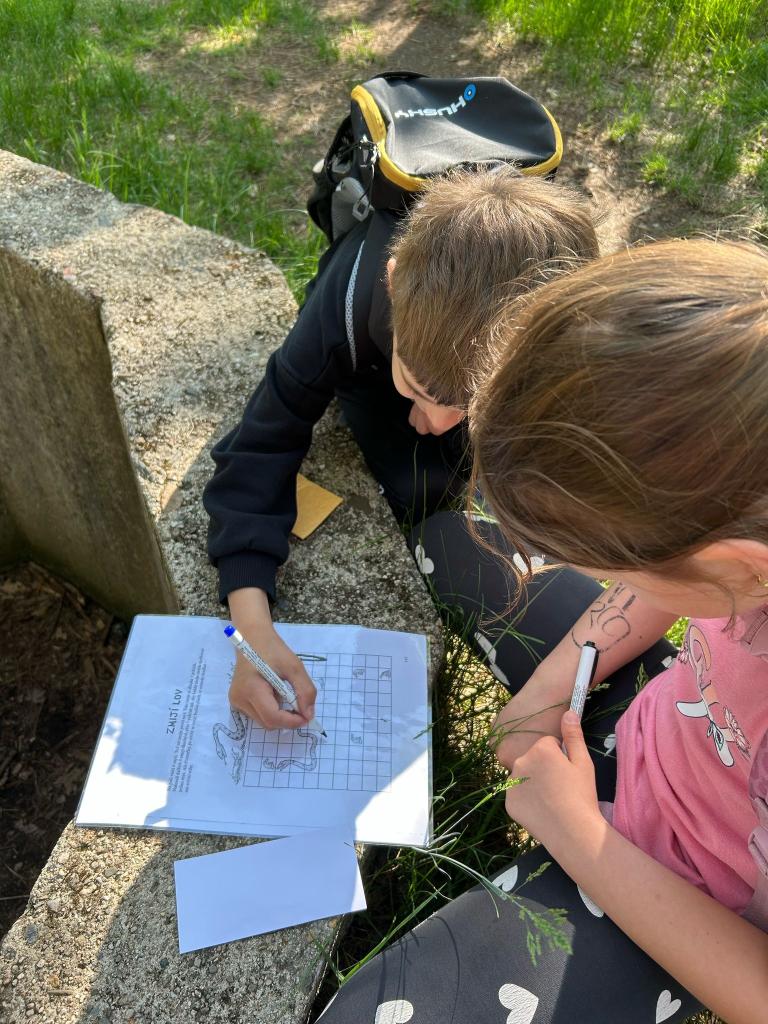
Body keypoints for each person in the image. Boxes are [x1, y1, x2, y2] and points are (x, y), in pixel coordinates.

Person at [314, 238, 768, 1024]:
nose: (605, 576)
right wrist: (550, 687)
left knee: (367, 1016)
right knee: (448, 544)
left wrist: (576, 831)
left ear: (731, 564)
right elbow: (668, 583)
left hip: (689, 895)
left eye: (611, 562)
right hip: (667, 728)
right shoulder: (740, 495)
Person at [203, 168, 599, 732]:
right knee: (418, 489)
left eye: (467, 407)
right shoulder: (344, 303)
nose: (436, 423)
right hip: (371, 351)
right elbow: (260, 444)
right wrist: (250, 629)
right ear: (391, 282)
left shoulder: (564, 331)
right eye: (417, 389)